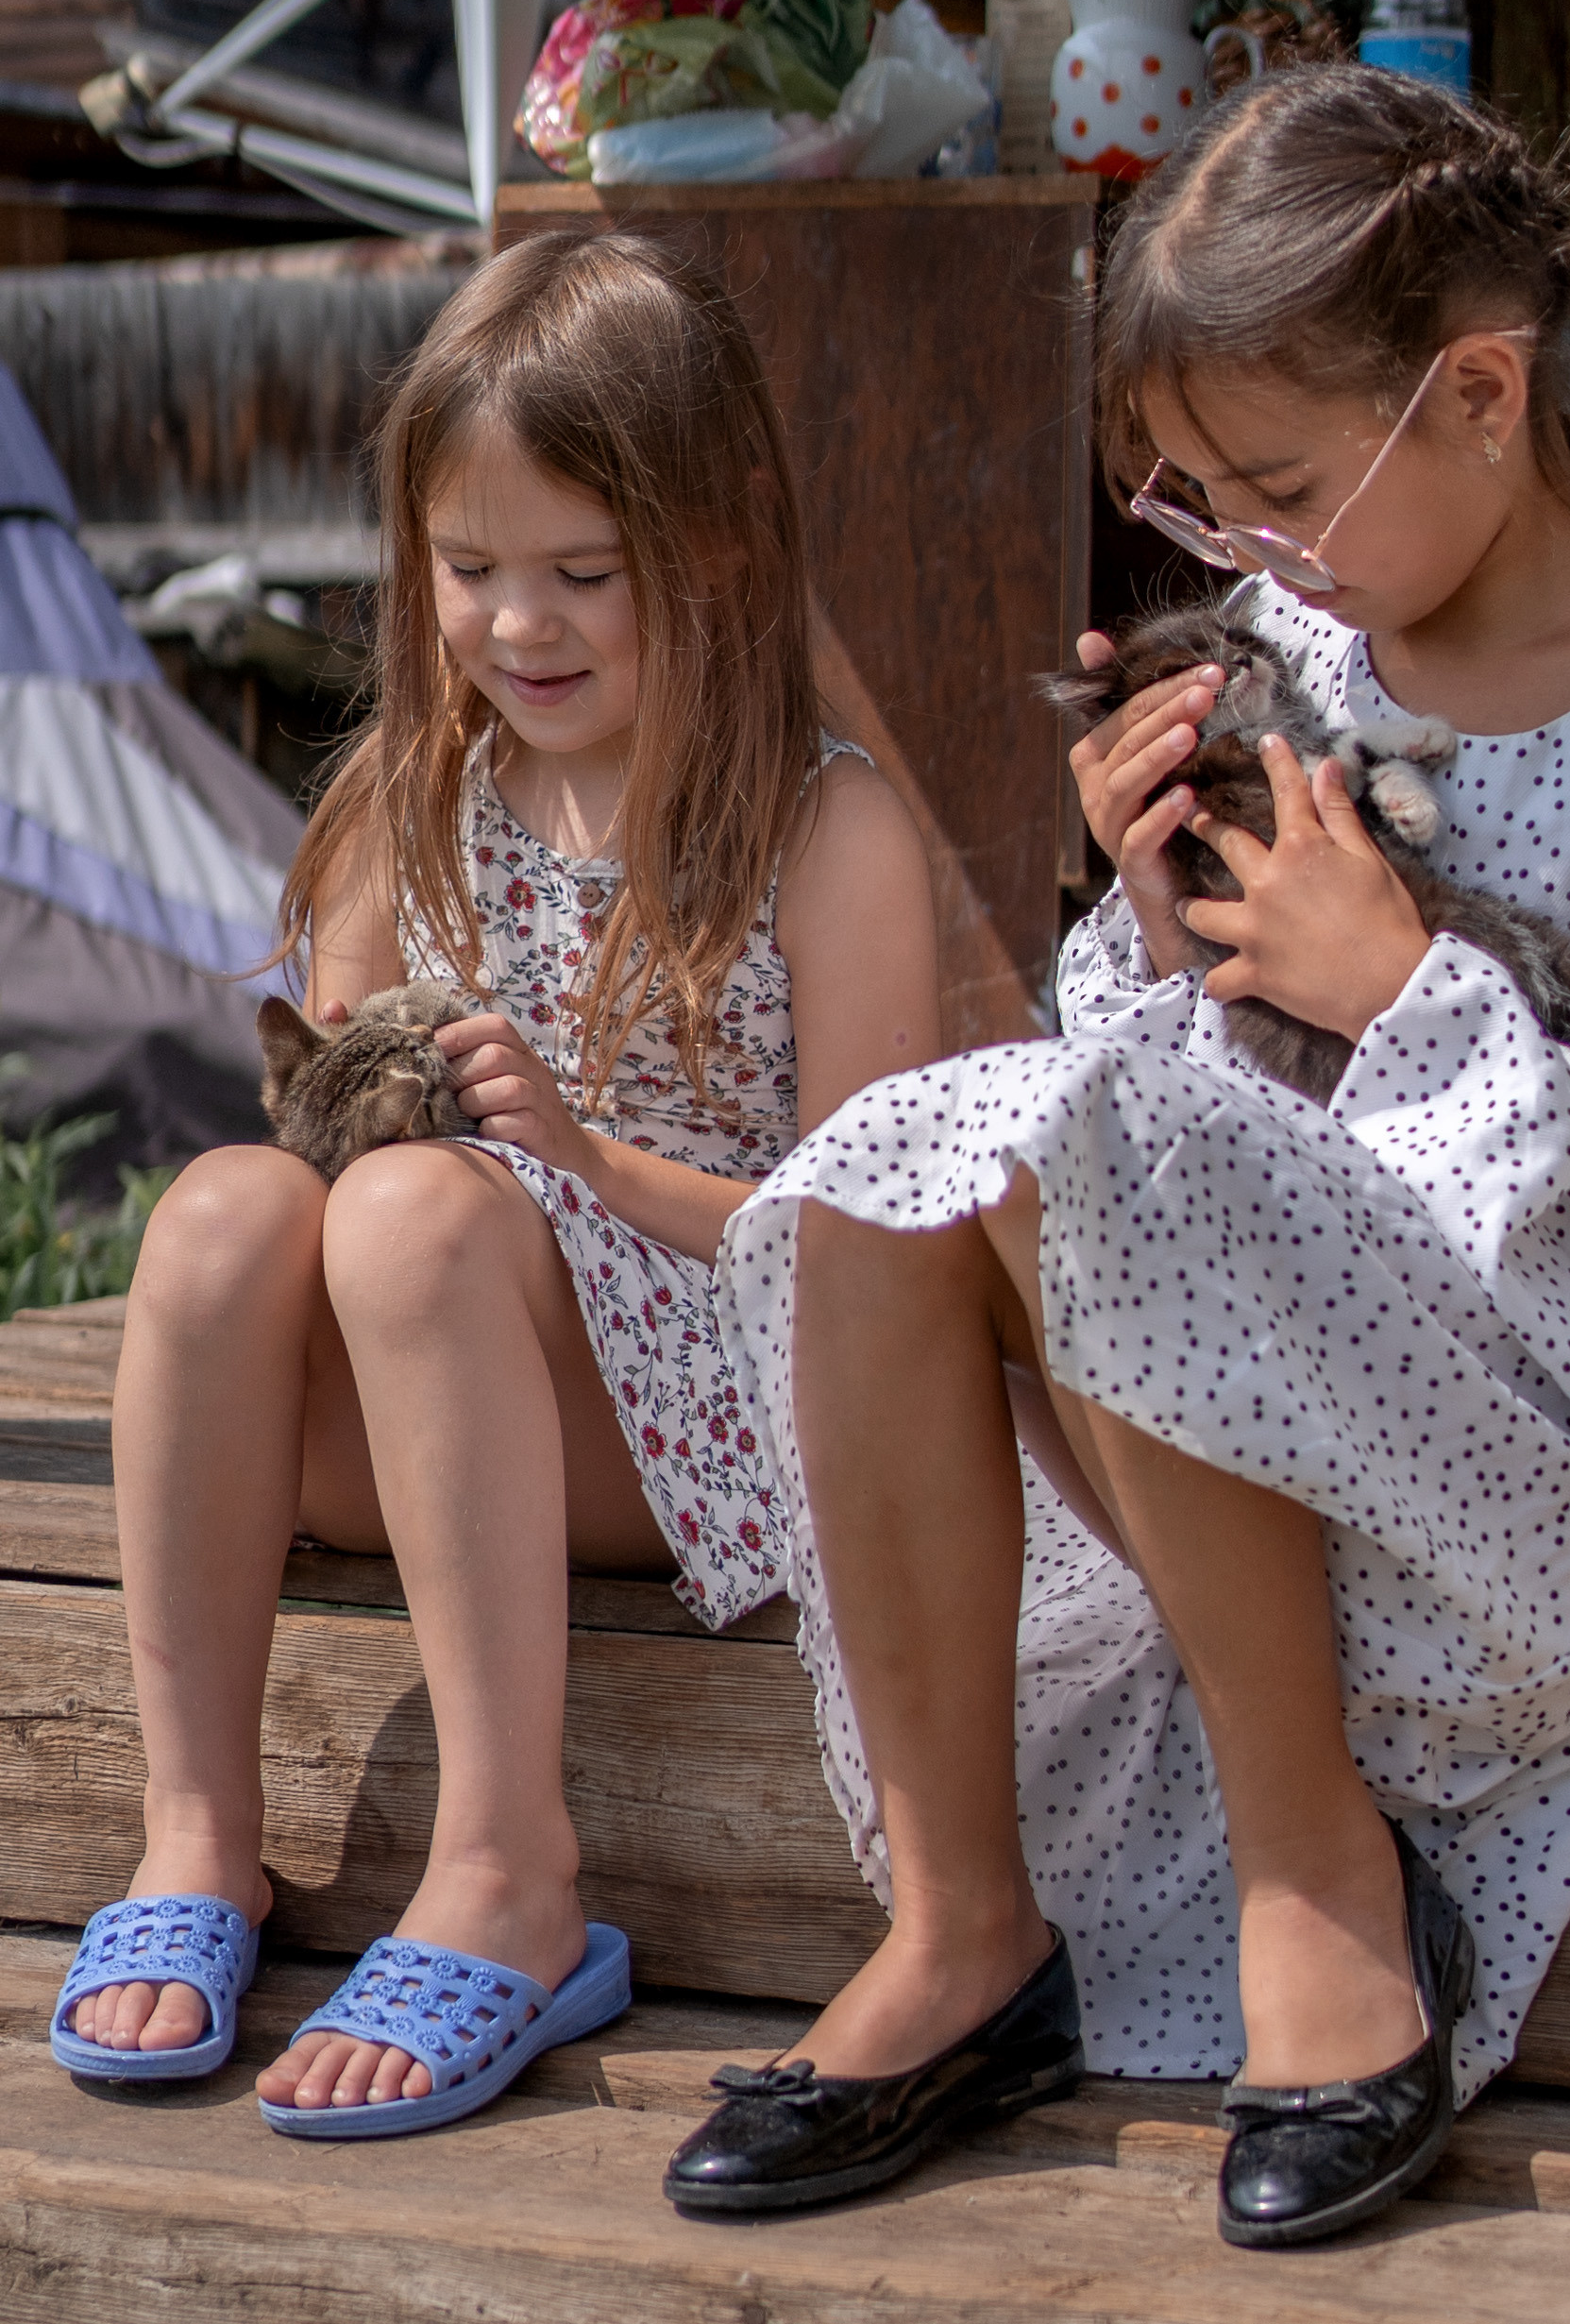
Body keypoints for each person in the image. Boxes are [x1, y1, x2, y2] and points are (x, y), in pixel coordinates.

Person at [664, 70, 1570, 2248]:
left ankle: (1318, 1867)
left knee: (1080, 1138)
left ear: (1484, 397)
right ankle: (965, 1927)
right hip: (1278, 1457)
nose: (1241, 553)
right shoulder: (1290, 665)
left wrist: (1403, 982)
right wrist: (1159, 943)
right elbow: (1144, 1128)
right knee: (891, 1157)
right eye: (1196, 504)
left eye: (1277, 489)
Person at [47, 232, 938, 2136]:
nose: (517, 625)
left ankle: (510, 1867)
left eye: (578, 575)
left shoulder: (819, 825)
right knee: (221, 1206)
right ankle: (196, 1825)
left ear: (716, 543)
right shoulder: (408, 806)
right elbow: (328, 1152)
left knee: (421, 1210)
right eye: (469, 571)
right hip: (427, 1395)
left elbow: (877, 1232)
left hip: (702, 1430)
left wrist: (579, 1160)